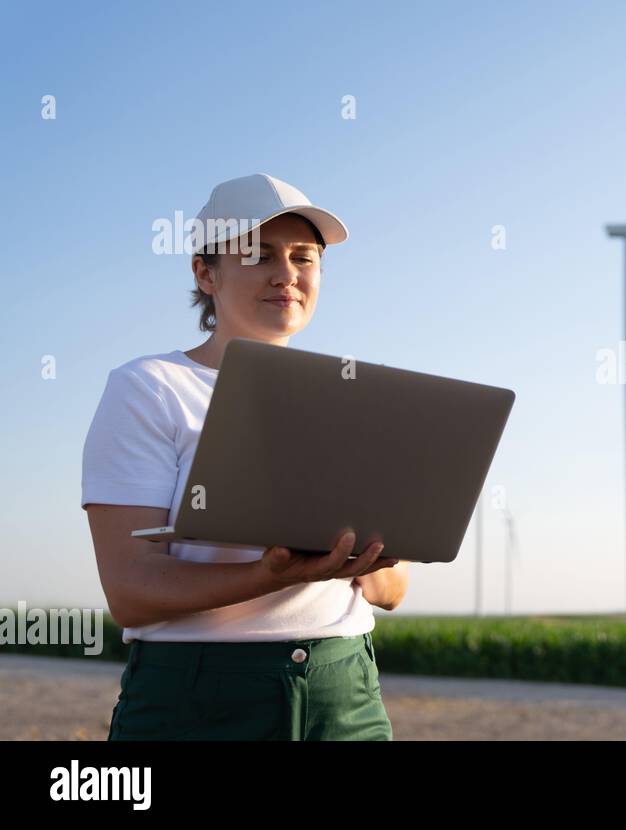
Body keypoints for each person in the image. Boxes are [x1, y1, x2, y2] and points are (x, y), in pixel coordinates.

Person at [82, 173, 408, 740]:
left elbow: (394, 590)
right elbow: (131, 593)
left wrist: (360, 566)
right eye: (257, 255)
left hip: (346, 692)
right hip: (200, 699)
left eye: (303, 258)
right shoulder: (150, 387)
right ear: (205, 273)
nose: (286, 274)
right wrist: (269, 574)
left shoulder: (349, 395)